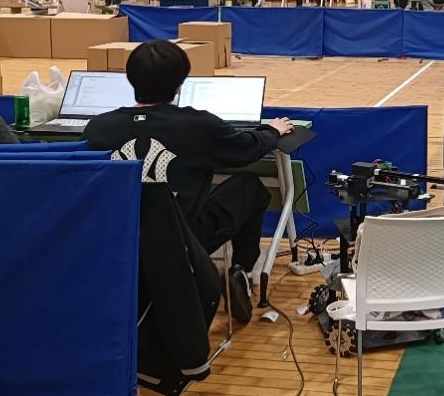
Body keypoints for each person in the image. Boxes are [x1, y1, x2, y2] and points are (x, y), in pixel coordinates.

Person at [82, 41, 291, 323]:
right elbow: (248, 148)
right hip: (184, 241)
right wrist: (272, 131)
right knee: (249, 186)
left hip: (120, 240)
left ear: (130, 79)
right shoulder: (199, 125)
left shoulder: (98, 128)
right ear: (180, 84)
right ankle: (240, 269)